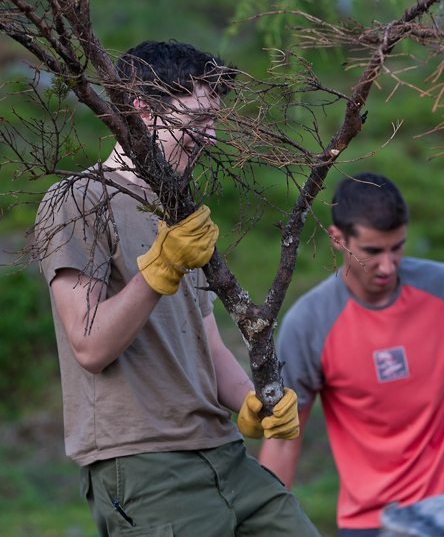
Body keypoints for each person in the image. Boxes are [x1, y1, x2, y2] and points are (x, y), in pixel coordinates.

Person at [35, 40, 320, 537]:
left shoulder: (178, 211)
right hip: (147, 466)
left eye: (214, 121)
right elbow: (89, 345)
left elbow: (204, 341)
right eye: (198, 119)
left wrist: (249, 400)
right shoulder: (77, 198)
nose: (210, 135)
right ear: (144, 108)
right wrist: (159, 268)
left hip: (225, 455)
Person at [259, 172, 444, 537]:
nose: (388, 265)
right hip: (372, 524)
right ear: (338, 239)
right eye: (373, 252)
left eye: (397, 247)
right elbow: (283, 442)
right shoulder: (310, 323)